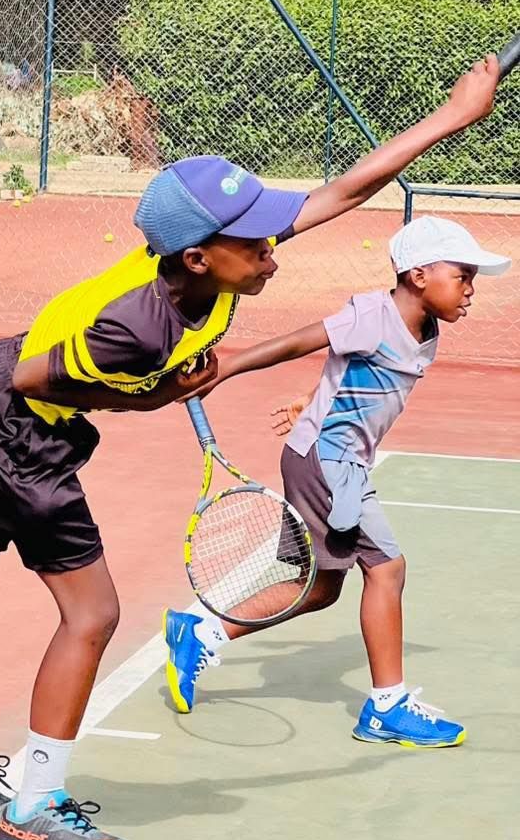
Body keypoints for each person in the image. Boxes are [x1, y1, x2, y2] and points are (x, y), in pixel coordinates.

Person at [0, 57, 501, 840]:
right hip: (19, 415)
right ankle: (33, 811)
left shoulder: (206, 262)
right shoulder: (137, 327)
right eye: (258, 242)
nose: (274, 250)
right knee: (92, 613)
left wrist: (453, 116)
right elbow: (43, 380)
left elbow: (346, 189)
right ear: (203, 257)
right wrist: (150, 394)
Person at [163, 213, 510, 747]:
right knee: (387, 568)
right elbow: (302, 341)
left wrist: (316, 397)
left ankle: (201, 632)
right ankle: (386, 707)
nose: (470, 290)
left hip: (336, 459)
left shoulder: (426, 327)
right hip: (329, 463)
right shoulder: (375, 313)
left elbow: (350, 369)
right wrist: (222, 370)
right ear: (418, 275)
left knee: (323, 588)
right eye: (462, 276)